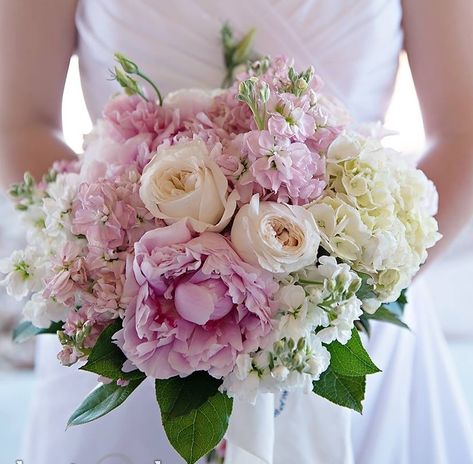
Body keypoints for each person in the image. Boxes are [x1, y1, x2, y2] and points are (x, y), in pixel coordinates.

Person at [1, 1, 473, 463]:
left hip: (349, 309)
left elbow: (461, 132)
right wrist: (127, 258)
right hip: (136, 320)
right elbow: (19, 121)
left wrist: (337, 295)